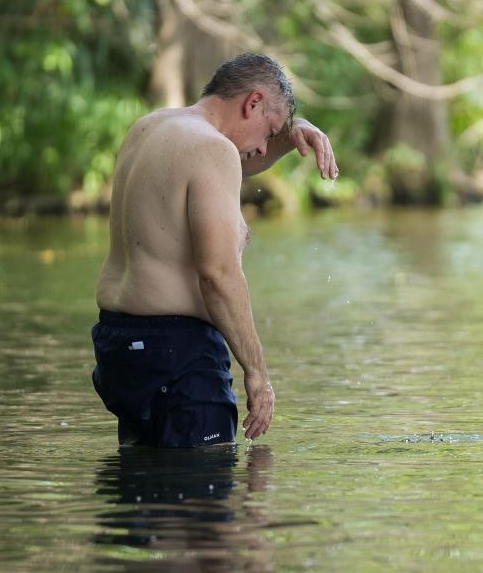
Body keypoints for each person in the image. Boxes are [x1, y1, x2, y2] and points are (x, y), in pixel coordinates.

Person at [91, 53, 338, 448]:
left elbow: (233, 160)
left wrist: (291, 134)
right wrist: (257, 373)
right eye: (268, 130)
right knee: (205, 497)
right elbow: (217, 274)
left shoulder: (152, 127)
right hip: (177, 353)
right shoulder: (212, 150)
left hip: (121, 347)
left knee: (146, 498)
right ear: (252, 103)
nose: (262, 148)